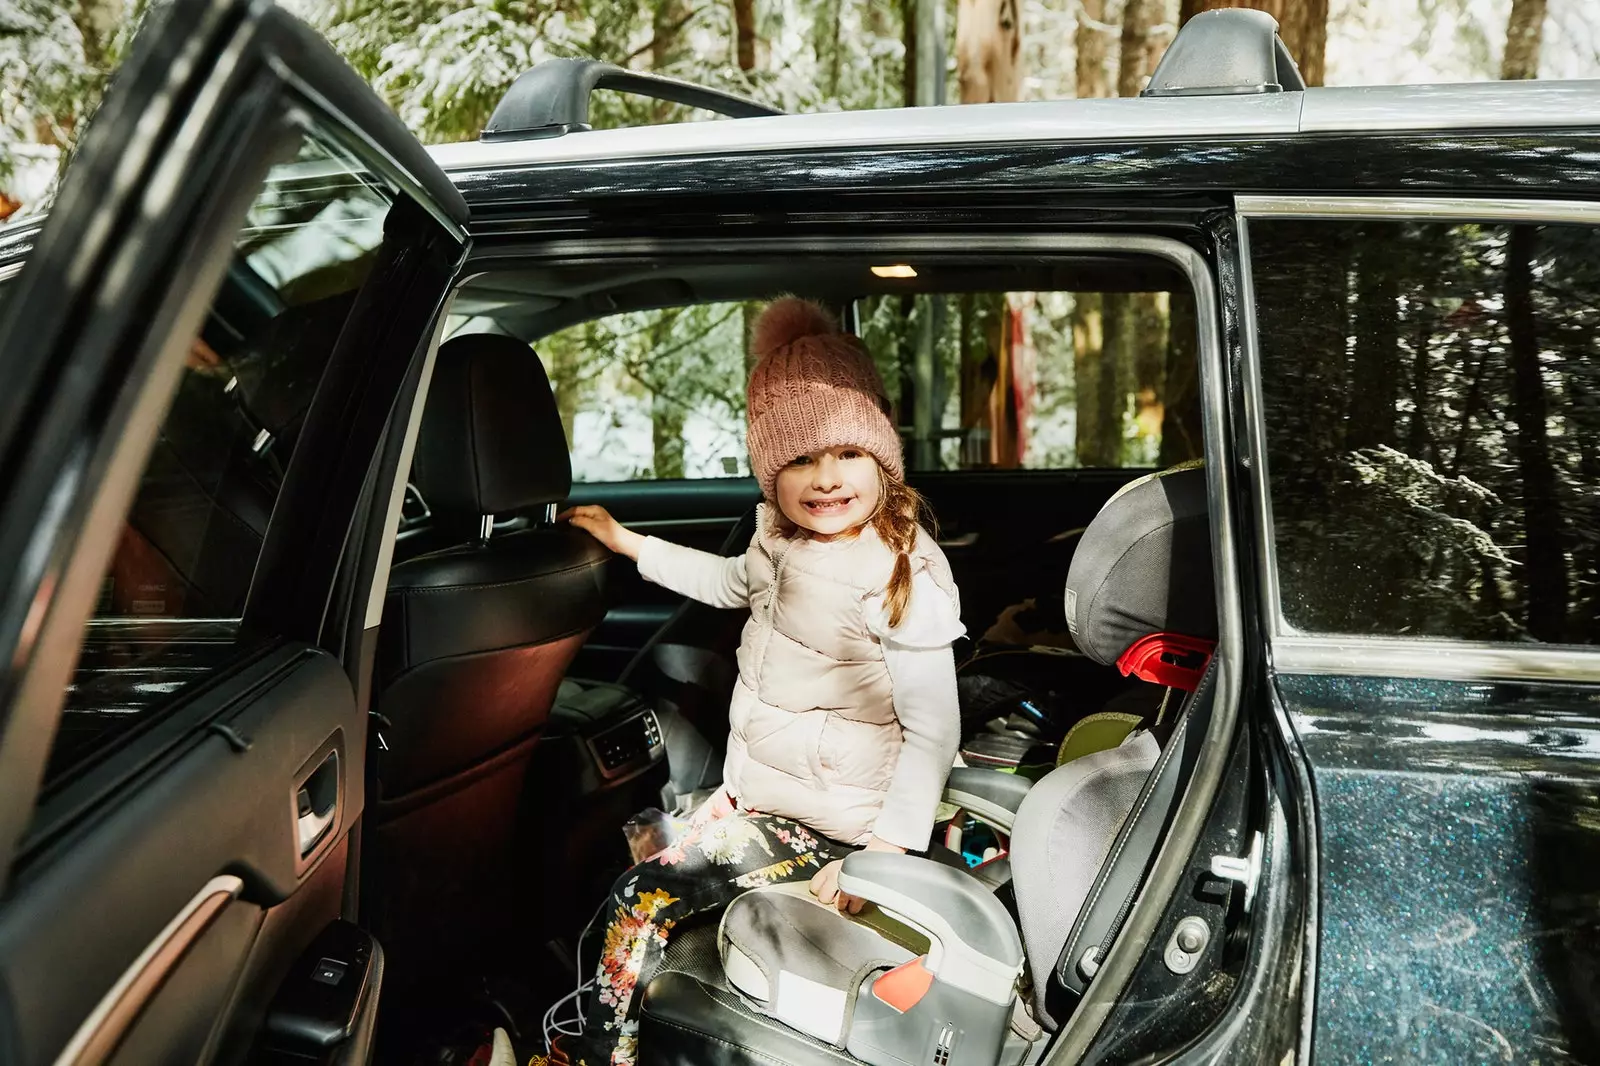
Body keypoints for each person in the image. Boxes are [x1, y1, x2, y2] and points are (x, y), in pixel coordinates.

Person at [547, 297, 965, 1066]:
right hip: (765, 795)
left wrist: (883, 853)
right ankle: (623, 1026)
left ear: (882, 458)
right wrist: (625, 541)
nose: (826, 478)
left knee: (637, 900)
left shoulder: (898, 572)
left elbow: (936, 728)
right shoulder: (777, 539)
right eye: (799, 460)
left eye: (846, 454)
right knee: (642, 855)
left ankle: (600, 1057)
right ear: (771, 474)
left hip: (837, 829)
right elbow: (721, 580)